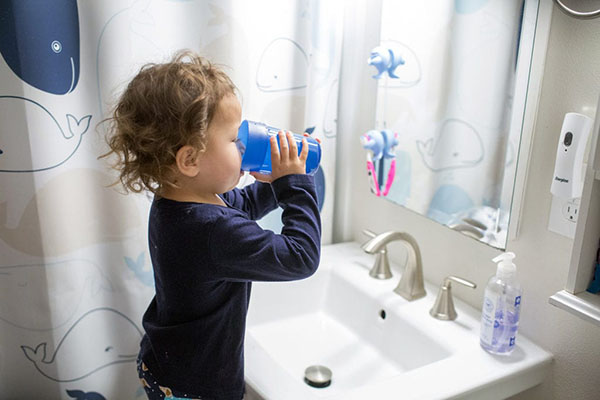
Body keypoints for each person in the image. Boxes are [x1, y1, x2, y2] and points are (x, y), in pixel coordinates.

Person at [100, 50, 321, 400]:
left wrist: (283, 176)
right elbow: (300, 257)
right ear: (189, 159)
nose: (245, 145)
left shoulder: (179, 202)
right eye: (235, 140)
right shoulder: (211, 231)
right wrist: (294, 185)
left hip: (165, 363)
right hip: (200, 387)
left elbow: (243, 206)